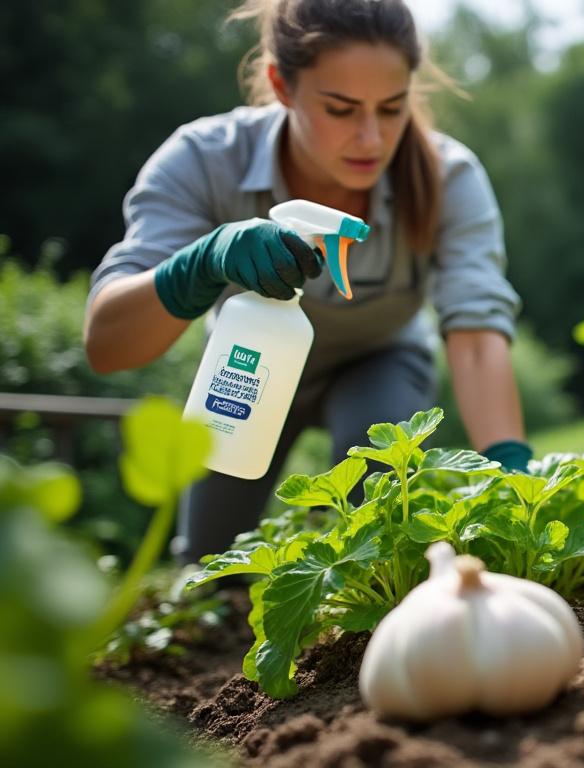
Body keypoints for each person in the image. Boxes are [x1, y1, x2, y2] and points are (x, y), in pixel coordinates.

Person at [82, 0, 531, 563]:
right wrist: (201, 264)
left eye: (391, 108)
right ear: (282, 85)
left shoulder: (450, 177)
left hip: (379, 361)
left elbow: (475, 338)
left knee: (378, 502)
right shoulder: (203, 160)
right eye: (341, 109)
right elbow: (106, 345)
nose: (371, 138)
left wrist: (512, 465)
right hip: (249, 365)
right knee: (210, 565)